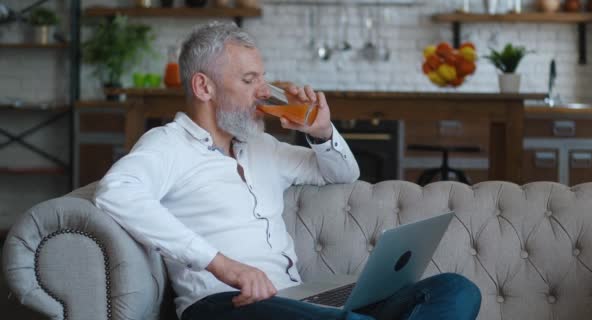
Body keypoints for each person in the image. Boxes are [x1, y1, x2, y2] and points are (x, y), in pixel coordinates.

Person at [94, 21, 481, 320]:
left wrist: (320, 130)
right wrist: (223, 264)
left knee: (456, 289)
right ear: (203, 86)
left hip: (293, 301)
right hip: (223, 304)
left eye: (262, 77)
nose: (264, 91)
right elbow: (115, 193)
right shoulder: (169, 144)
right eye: (249, 80)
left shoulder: (262, 147)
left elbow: (341, 174)